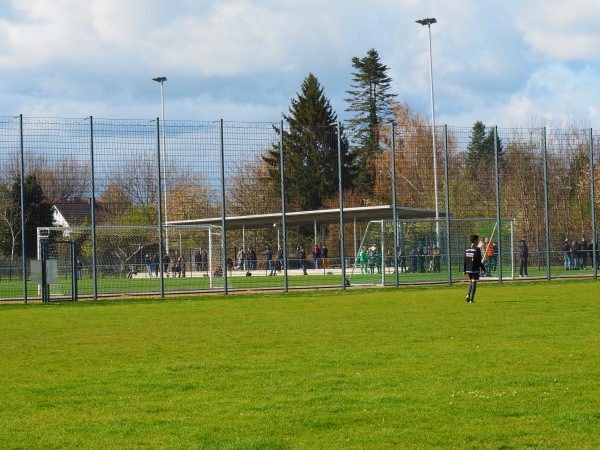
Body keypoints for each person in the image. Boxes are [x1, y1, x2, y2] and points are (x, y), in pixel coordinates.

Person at [464, 234, 486, 303]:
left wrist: (464, 270)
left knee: (471, 281)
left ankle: (468, 294)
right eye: (478, 240)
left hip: (468, 268)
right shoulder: (477, 249)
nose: (478, 241)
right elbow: (478, 261)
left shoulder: (467, 248)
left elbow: (465, 260)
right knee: (474, 283)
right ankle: (471, 299)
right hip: (474, 268)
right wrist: (483, 268)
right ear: (475, 240)